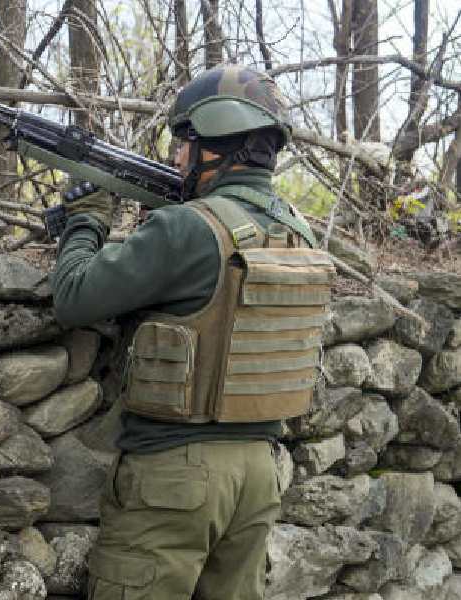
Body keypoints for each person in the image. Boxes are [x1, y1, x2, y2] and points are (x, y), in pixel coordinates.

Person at [51, 65, 334, 600]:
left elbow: (74, 297)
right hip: (260, 474)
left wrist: (86, 219)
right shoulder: (298, 232)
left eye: (186, 142)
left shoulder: (187, 228)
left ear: (216, 143)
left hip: (175, 474)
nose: (178, 157)